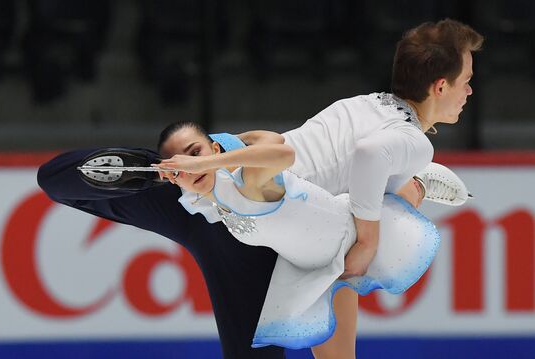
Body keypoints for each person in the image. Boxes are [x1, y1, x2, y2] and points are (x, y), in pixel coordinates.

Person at [38, 18, 482, 359]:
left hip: (213, 190)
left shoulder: (362, 104)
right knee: (366, 241)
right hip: (259, 230)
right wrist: (369, 239)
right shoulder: (410, 143)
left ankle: (150, 169)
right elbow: (362, 177)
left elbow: (307, 157)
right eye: (465, 81)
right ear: (439, 86)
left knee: (57, 179)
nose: (470, 91)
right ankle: (421, 190)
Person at [153, 120, 442, 350]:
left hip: (348, 236)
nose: (192, 165)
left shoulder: (247, 181)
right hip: (315, 272)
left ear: (215, 151)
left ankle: (420, 182)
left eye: (196, 152)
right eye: (183, 164)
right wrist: (206, 158)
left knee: (401, 211)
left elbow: (284, 152)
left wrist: (205, 162)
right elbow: (274, 139)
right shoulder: (204, 199)